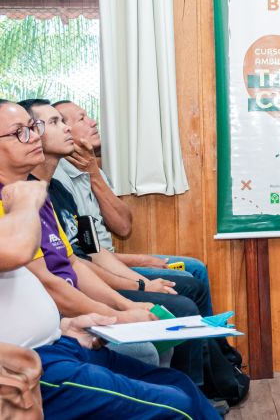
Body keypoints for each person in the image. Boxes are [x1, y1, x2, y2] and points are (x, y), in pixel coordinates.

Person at [21, 99, 207, 385]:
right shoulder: (24, 196)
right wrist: (125, 306)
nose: (69, 127)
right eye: (57, 122)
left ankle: (201, 385)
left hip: (89, 282)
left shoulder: (50, 191)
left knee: (187, 284)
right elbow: (61, 275)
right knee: (176, 312)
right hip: (59, 310)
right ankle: (193, 389)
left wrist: (134, 294)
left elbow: (93, 248)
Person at [0, 179, 219, 419]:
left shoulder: (52, 192)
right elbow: (17, 254)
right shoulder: (20, 198)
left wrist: (64, 326)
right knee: (177, 405)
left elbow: (78, 259)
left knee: (178, 382)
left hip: (60, 340)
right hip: (26, 363)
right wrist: (24, 203)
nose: (35, 143)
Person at [52, 100, 213, 316]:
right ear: (65, 131)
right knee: (188, 278)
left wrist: (94, 173)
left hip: (109, 259)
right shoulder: (58, 180)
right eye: (82, 118)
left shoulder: (92, 168)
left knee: (195, 269)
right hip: (98, 266)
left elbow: (123, 227)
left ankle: (213, 336)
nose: (93, 122)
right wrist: (143, 265)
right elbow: (83, 254)